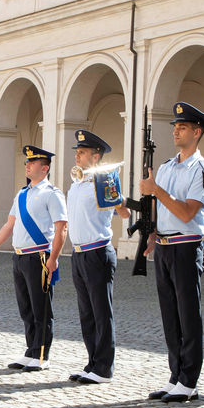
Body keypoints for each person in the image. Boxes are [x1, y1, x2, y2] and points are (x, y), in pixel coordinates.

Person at [139, 102, 204, 403]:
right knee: (170, 315)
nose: (176, 130)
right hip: (165, 246)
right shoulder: (168, 167)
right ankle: (175, 376)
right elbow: (162, 209)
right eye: (175, 126)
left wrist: (156, 190)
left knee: (188, 315)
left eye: (182, 127)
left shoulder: (202, 170)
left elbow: (186, 212)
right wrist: (152, 234)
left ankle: (189, 380)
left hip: (186, 245)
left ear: (196, 132)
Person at [0, 146, 68, 372]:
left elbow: (61, 229)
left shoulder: (52, 194)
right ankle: (31, 350)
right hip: (19, 258)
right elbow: (10, 224)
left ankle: (41, 355)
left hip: (39, 257)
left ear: (44, 167)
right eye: (27, 162)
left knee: (42, 308)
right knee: (26, 308)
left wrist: (54, 258)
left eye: (32, 162)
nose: (27, 165)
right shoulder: (21, 194)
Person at [66, 130, 130, 384]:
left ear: (95, 156)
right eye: (77, 152)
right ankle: (92, 362)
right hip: (79, 253)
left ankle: (104, 368)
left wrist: (112, 190)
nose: (77, 156)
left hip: (97, 251)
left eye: (81, 153)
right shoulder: (77, 183)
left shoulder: (104, 180)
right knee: (87, 313)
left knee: (102, 312)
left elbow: (123, 213)